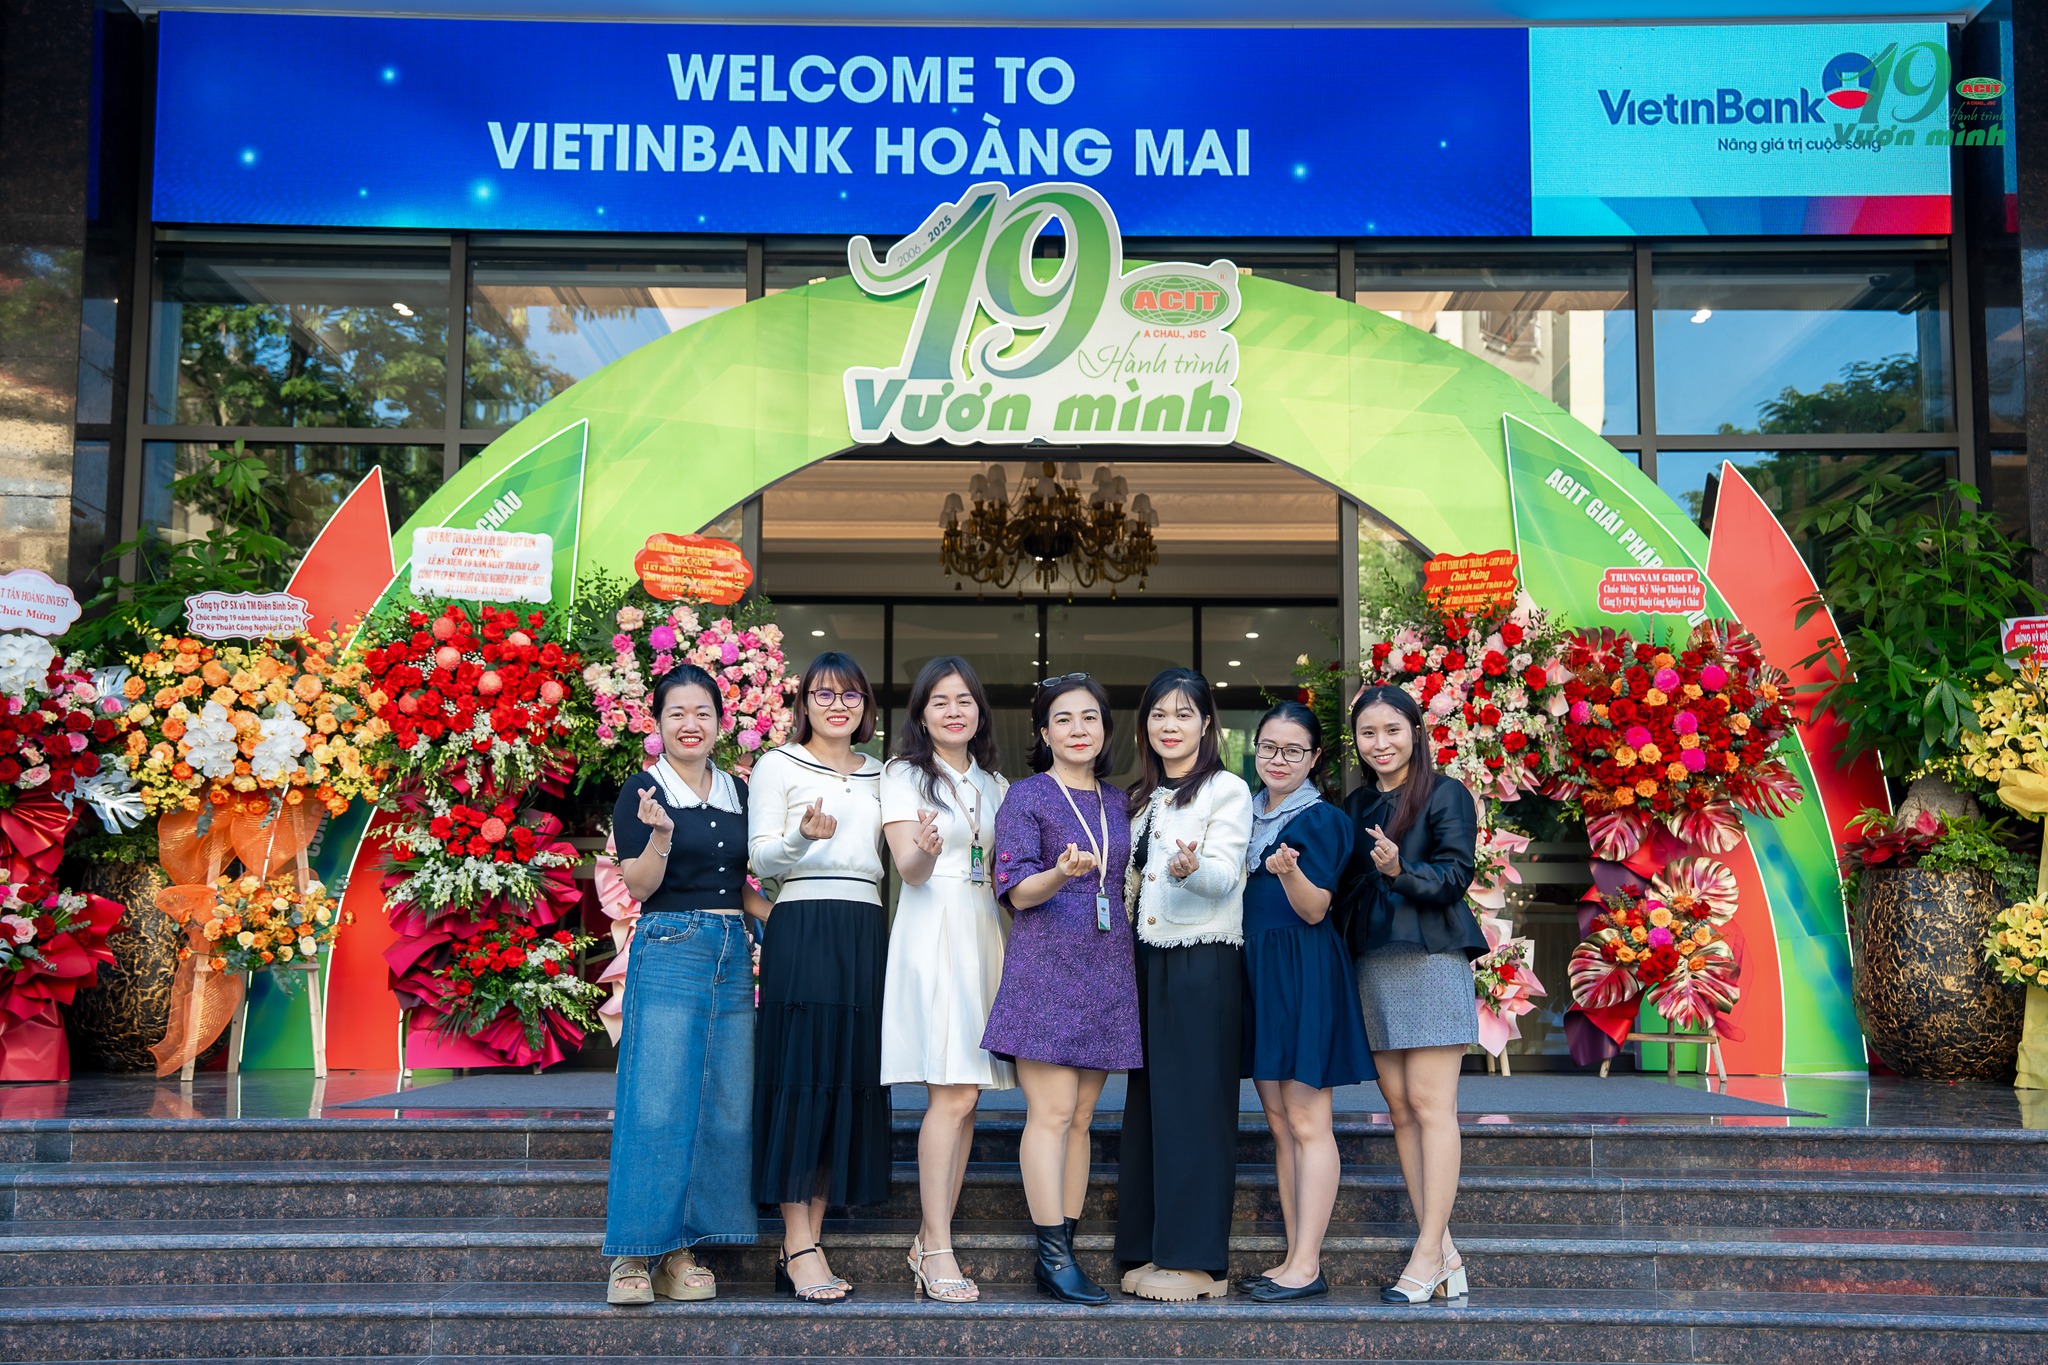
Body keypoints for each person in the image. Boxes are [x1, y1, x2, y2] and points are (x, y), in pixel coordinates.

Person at [602, 664, 771, 1306]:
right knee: (656, 1100)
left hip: (731, 949)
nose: (690, 724)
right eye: (677, 713)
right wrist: (663, 836)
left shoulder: (738, 790)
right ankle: (630, 1256)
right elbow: (639, 886)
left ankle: (680, 1252)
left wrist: (786, 919)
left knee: (723, 1103)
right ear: (658, 723)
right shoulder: (642, 790)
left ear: (721, 723)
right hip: (670, 942)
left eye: (702, 712)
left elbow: (739, 885)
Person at [980, 673, 1139, 1305]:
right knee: (1050, 1113)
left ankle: (1066, 1247)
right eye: (1064, 719)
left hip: (1106, 967)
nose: (1078, 729)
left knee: (1082, 1118)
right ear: (1044, 733)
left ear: (1105, 729)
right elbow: (1017, 892)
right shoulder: (1026, 797)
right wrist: (1058, 873)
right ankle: (1051, 1257)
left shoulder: (1119, 801)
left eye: (1090, 718)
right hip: (1044, 968)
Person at [1337, 682, 1486, 1305]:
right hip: (1374, 963)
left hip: (1429, 960)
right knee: (1399, 1110)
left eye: (1392, 730)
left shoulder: (1445, 793)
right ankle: (1443, 1250)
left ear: (1415, 732)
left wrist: (1399, 869)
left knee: (1431, 1107)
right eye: (1368, 733)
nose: (1381, 743)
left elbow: (1455, 875)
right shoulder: (1355, 804)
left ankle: (1426, 1255)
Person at [747, 651, 888, 1304]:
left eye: (850, 695)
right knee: (801, 1074)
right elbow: (760, 859)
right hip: (802, 921)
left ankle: (810, 1239)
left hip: (865, 925)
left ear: (865, 706)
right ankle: (798, 1242)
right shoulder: (777, 765)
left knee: (847, 1077)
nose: (838, 705)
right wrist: (802, 838)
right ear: (804, 702)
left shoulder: (884, 772)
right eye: (824, 694)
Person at [1115, 668, 1253, 1304]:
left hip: (1202, 961)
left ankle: (1198, 1263)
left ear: (1206, 724)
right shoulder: (1141, 798)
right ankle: (1149, 1248)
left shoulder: (1226, 789)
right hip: (1148, 961)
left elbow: (1224, 878)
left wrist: (1190, 869)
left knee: (1196, 1108)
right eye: (1158, 714)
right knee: (1149, 1107)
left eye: (1183, 714)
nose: (1169, 726)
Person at [880, 655, 1014, 1304]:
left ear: (979, 712)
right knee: (952, 1094)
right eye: (940, 701)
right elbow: (907, 869)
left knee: (969, 1096)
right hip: (933, 931)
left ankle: (930, 1239)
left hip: (984, 931)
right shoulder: (903, 773)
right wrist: (926, 851)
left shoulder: (996, 783)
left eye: (965, 700)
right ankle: (936, 1246)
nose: (954, 711)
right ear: (922, 713)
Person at [1237, 700, 1374, 1304]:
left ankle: (1307, 1265)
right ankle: (1292, 1257)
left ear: (1315, 758)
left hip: (1302, 972)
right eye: (1269, 747)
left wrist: (1289, 871)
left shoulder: (1323, 820)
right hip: (1258, 970)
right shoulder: (1245, 813)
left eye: (1293, 751)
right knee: (1279, 1122)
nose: (1279, 760)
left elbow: (1316, 909)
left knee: (1307, 1120)